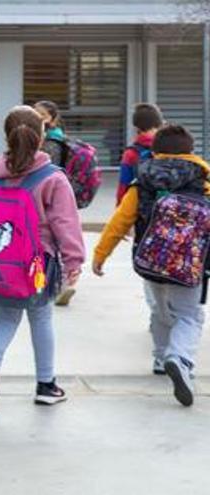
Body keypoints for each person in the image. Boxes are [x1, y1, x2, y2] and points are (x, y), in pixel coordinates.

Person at [0, 106, 85, 412]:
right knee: (42, 318)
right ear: (43, 135)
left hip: (1, 262)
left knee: (5, 318)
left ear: (7, 136)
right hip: (38, 264)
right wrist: (74, 262)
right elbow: (66, 223)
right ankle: (46, 385)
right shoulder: (52, 178)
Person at [93, 124, 208, 406]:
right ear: (191, 151)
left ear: (155, 151)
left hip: (152, 260)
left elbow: (121, 220)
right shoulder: (204, 180)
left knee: (159, 309)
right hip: (190, 263)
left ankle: (159, 358)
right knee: (189, 315)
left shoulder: (143, 180)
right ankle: (179, 357)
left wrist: (100, 254)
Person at [34, 100, 78, 307]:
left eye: (42, 114)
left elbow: (44, 170)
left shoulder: (50, 142)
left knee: (53, 241)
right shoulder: (57, 138)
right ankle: (64, 281)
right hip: (59, 194)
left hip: (51, 196)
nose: (38, 117)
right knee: (58, 239)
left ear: (51, 118)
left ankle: (62, 282)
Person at [117, 103, 164, 204]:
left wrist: (119, 209)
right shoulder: (171, 148)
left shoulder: (130, 153)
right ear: (159, 124)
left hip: (139, 208)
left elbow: (123, 186)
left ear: (136, 126)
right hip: (167, 209)